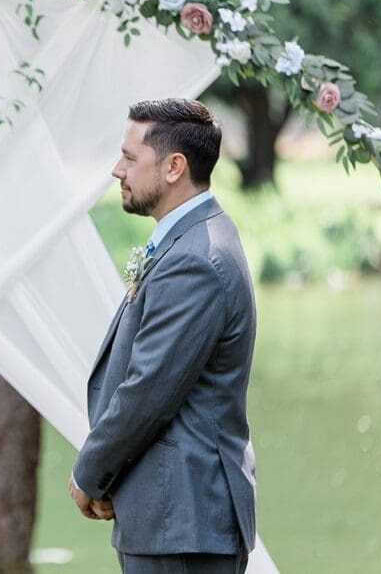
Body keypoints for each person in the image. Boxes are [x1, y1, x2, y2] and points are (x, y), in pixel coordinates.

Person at [69, 99, 256, 573]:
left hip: (183, 521)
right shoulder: (191, 240)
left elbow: (147, 391)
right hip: (171, 518)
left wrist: (88, 474)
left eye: (130, 159)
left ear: (175, 167)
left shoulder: (197, 258)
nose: (117, 171)